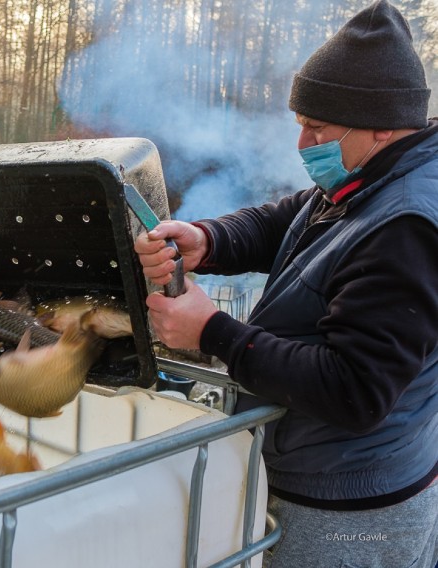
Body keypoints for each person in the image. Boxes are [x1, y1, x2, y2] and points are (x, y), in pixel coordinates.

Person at [135, 2, 437, 567]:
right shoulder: (372, 173)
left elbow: (355, 390)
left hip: (351, 511)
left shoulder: (407, 227)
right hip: (329, 475)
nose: (302, 146)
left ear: (381, 123)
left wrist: (214, 333)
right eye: (300, 126)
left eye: (317, 130)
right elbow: (291, 219)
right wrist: (209, 239)